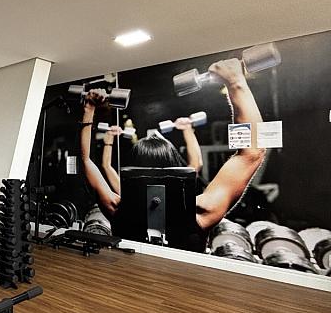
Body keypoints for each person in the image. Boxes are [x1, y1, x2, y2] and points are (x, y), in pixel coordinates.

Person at [80, 58, 265, 234]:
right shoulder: (200, 213)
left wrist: (89, 108)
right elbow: (252, 153)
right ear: (176, 169)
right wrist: (235, 82)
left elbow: (86, 161)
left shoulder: (118, 209)